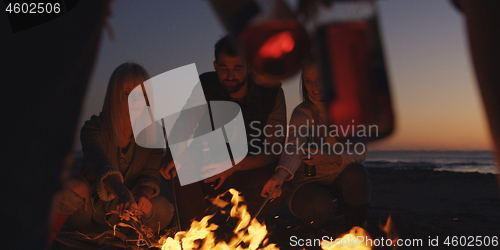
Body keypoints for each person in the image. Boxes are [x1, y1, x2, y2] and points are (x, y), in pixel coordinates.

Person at [161, 35, 288, 228]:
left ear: (249, 67)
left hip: (249, 168)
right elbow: (184, 124)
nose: (230, 75)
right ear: (214, 65)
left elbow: (273, 150)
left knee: (277, 185)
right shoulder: (205, 86)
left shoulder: (270, 94)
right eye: (224, 67)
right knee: (178, 168)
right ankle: (198, 233)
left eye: (237, 68)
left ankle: (241, 229)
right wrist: (175, 152)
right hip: (208, 167)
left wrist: (234, 166)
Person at [48, 62, 174, 244]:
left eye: (142, 94)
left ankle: (133, 241)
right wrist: (123, 194)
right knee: (73, 187)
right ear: (114, 95)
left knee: (163, 208)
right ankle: (46, 239)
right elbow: (101, 165)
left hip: (128, 216)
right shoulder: (94, 129)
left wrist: (144, 195)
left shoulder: (152, 134)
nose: (136, 101)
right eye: (128, 94)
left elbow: (150, 174)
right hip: (89, 212)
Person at [261, 61, 371, 230]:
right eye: (308, 81)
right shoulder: (302, 113)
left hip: (340, 186)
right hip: (306, 189)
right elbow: (293, 148)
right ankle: (311, 233)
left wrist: (332, 156)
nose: (315, 87)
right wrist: (279, 175)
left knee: (358, 172)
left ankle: (357, 234)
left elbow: (360, 151)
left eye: (319, 79)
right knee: (321, 205)